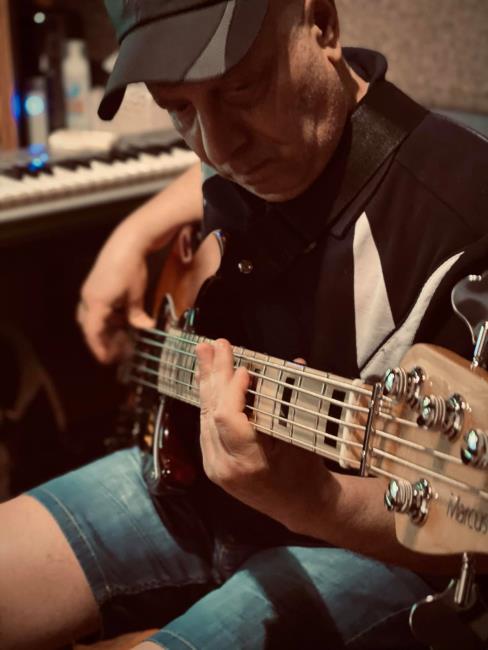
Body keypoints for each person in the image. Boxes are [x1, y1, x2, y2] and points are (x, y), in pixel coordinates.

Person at [1, 1, 487, 649]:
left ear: (321, 24)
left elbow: (475, 527)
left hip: (370, 547)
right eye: (177, 107)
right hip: (191, 487)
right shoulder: (274, 145)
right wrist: (134, 232)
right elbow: (211, 167)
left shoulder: (464, 218)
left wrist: (316, 501)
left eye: (241, 88)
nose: (218, 146)